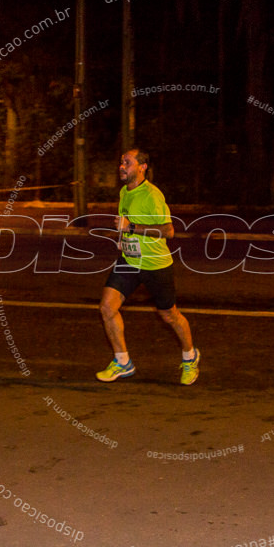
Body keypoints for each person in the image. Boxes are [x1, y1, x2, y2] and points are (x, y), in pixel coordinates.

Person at [96, 148, 200, 384]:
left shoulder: (152, 195)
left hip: (155, 264)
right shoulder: (124, 192)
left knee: (169, 315)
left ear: (142, 167)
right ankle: (123, 362)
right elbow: (125, 224)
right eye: (121, 162)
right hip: (130, 261)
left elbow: (168, 231)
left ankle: (190, 357)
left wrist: (132, 227)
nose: (122, 166)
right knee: (106, 307)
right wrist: (123, 239)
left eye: (128, 162)